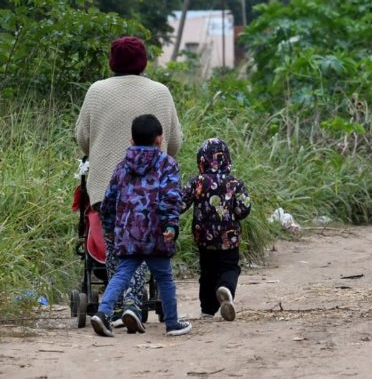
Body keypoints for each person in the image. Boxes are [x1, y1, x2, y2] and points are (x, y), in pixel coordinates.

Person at [75, 36, 182, 331]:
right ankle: (133, 305)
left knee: (118, 248)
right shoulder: (161, 92)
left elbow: (82, 138)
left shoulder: (96, 91)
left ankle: (123, 305)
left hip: (106, 188)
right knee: (146, 245)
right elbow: (174, 143)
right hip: (153, 195)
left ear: (112, 60)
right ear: (144, 60)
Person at [91, 114, 191, 337]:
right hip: (156, 233)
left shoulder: (122, 166)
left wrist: (108, 227)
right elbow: (171, 198)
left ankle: (103, 312)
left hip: (128, 232)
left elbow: (109, 200)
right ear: (160, 139)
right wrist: (171, 226)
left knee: (121, 274)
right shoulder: (167, 164)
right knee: (164, 278)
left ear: (132, 141)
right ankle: (173, 323)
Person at [181, 138, 251, 321]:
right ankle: (226, 288)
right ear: (227, 159)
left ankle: (207, 309)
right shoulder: (234, 183)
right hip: (230, 238)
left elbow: (180, 203)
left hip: (204, 238)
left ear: (201, 160)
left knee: (207, 273)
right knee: (229, 267)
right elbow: (243, 209)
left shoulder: (197, 182)